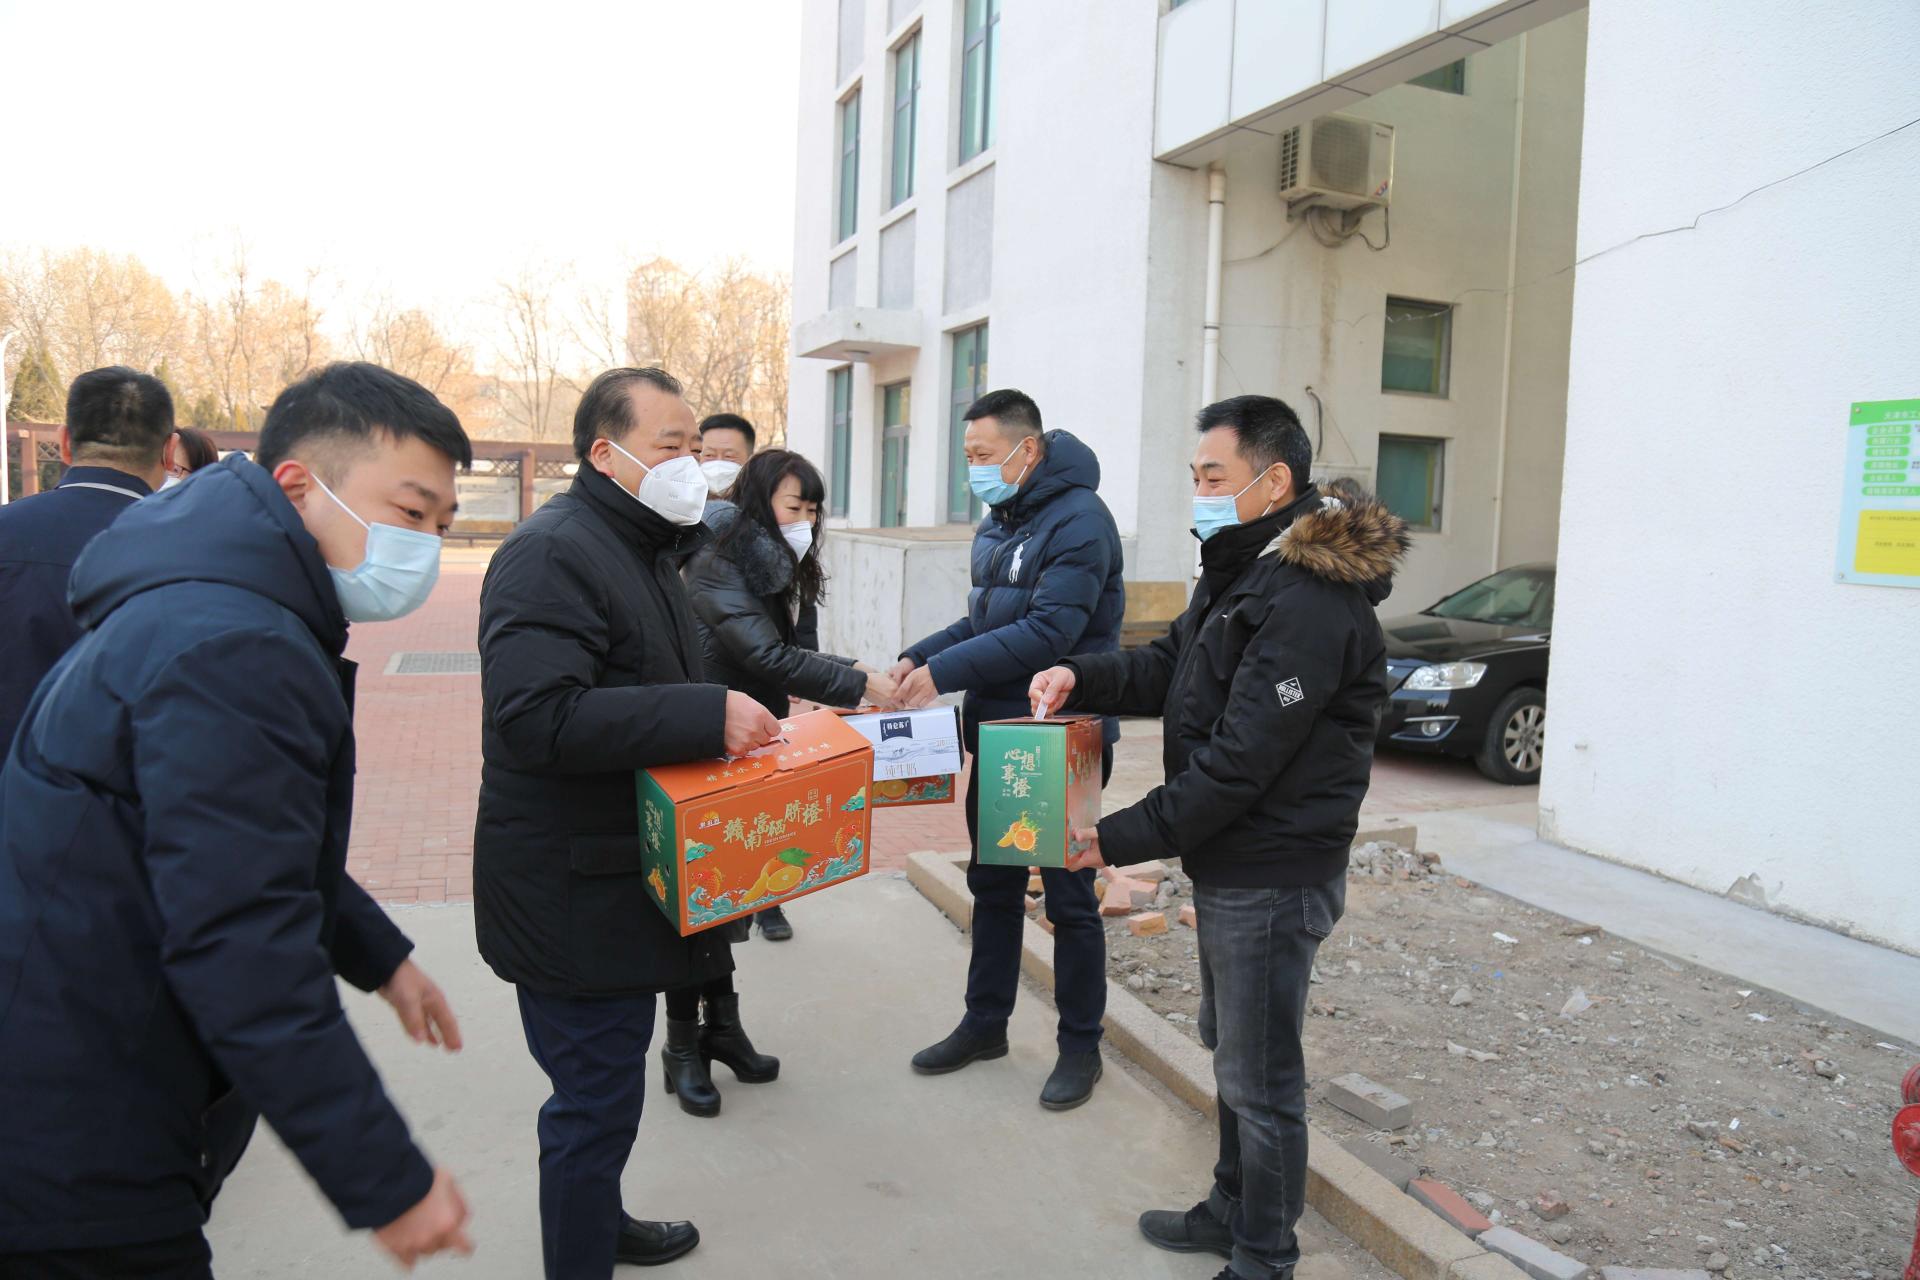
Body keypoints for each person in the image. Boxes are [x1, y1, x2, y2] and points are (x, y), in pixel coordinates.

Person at [0, 361, 478, 1276]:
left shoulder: (215, 602)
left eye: (442, 526)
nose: (423, 546)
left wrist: (377, 955)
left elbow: (230, 843)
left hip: (84, 1064)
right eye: (410, 513)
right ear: (298, 486)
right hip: (78, 1120)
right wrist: (385, 1178)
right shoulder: (234, 645)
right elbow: (240, 935)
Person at [1028, 395, 1410, 1280]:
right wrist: (1080, 674)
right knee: (1231, 1050)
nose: (1197, 492)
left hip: (1274, 869)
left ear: (1273, 482)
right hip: (1234, 860)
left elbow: (1242, 762)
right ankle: (1231, 1208)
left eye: (1212, 476)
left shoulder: (1311, 600)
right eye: (1195, 476)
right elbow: (1171, 665)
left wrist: (1109, 838)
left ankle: (1265, 1257)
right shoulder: (1244, 569)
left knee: (1261, 1079)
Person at [474, 367, 782, 1278]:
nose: (693, 465)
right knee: (593, 1103)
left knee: (605, 1094)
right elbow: (536, 718)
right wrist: (704, 714)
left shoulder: (641, 546)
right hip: (568, 890)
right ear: (606, 455)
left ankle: (599, 1222)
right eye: (671, 446)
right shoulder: (552, 552)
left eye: (697, 447)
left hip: (611, 877)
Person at [893, 388, 1125, 1112]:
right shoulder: (1002, 520)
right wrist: (918, 656)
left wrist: (943, 674)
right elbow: (984, 622)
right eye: (968, 456)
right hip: (999, 731)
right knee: (992, 886)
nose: (975, 469)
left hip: (1059, 735)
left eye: (984, 455)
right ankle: (984, 1024)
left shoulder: (1081, 521)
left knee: (1068, 898)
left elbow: (1050, 632)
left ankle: (1081, 1046)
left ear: (1028, 449)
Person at [658, 450, 896, 1112]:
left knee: (728, 894)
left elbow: (787, 650)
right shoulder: (717, 560)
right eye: (795, 507)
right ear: (759, 500)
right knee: (699, 901)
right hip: (704, 738)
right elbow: (764, 653)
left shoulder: (763, 560)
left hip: (745, 737)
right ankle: (680, 1046)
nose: (805, 521)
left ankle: (723, 1028)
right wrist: (859, 682)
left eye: (814, 510)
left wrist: (854, 671)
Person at [0, 366, 180, 753]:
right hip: (132, 782)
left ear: (65, 442)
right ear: (169, 451)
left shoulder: (6, 531)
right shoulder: (193, 551)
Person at [697, 412, 755, 495]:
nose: (718, 464)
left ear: (750, 460)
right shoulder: (682, 499)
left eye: (729, 456)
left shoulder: (766, 500)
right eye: (709, 455)